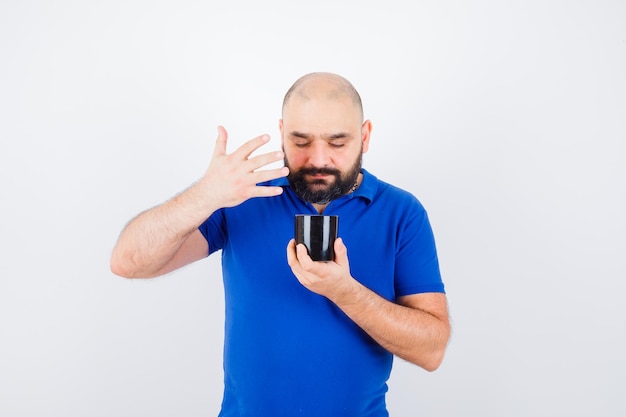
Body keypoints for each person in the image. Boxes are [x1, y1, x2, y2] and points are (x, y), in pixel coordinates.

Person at [110, 72, 450, 417]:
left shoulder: (401, 212)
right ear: (282, 132)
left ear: (365, 136)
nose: (318, 160)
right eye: (301, 142)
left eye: (337, 143)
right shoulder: (242, 197)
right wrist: (204, 196)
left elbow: (431, 350)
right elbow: (129, 261)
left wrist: (344, 292)